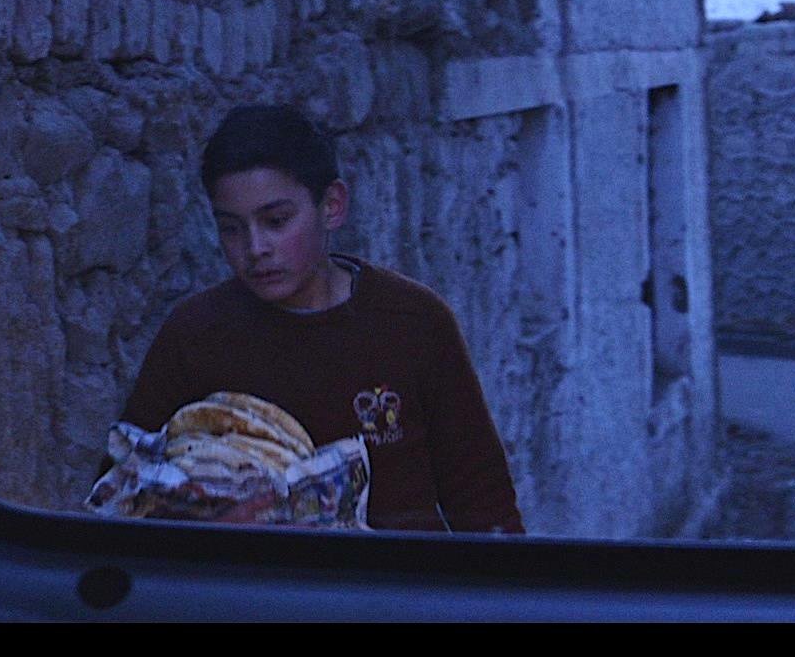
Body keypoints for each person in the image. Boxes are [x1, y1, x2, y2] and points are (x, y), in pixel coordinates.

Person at [119, 103, 525, 534]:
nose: (255, 247)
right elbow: (125, 495)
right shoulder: (196, 336)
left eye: (276, 221)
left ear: (332, 205)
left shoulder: (412, 323)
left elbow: (483, 506)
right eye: (231, 228)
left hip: (400, 591)